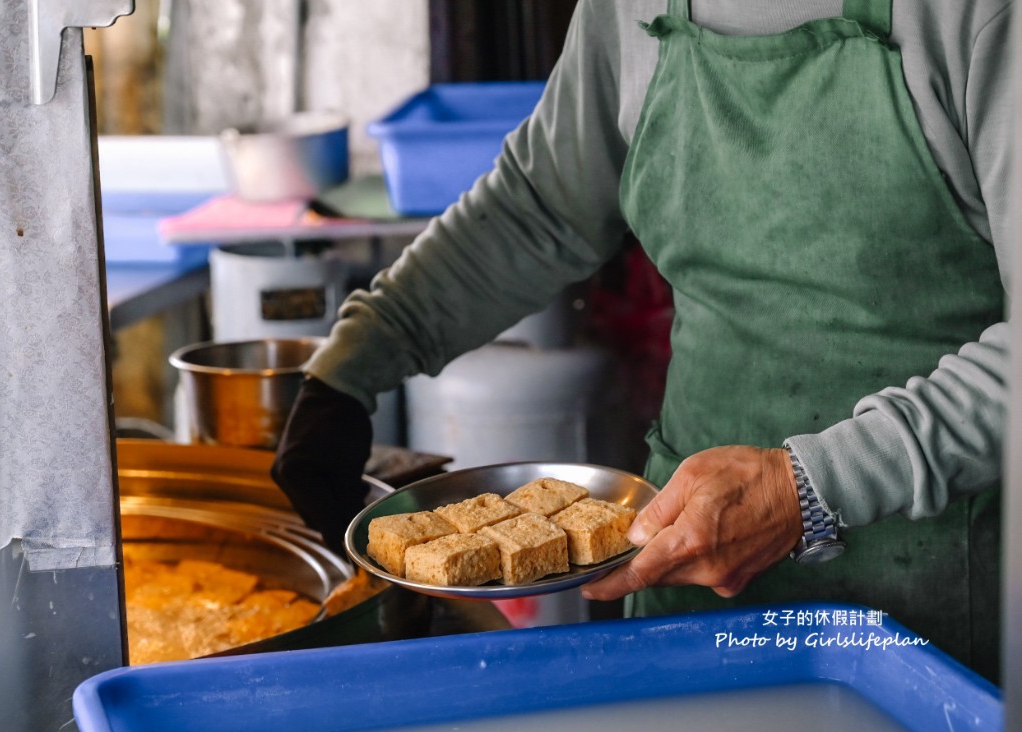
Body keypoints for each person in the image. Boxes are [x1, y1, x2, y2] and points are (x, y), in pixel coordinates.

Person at [271, 0, 1011, 681]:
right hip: (688, 581)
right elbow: (537, 212)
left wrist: (809, 488)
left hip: (937, 602)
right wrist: (354, 362)